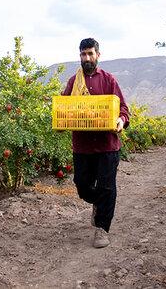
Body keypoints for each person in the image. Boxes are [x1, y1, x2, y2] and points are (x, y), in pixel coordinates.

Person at [61, 38, 130, 248]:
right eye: (83, 54)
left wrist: (121, 121)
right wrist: (59, 110)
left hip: (107, 145)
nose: (87, 58)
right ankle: (99, 204)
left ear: (98, 55)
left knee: (107, 187)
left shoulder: (109, 80)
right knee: (82, 186)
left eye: (90, 54)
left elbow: (124, 110)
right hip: (83, 146)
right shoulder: (74, 82)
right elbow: (65, 107)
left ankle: (102, 229)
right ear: (80, 56)